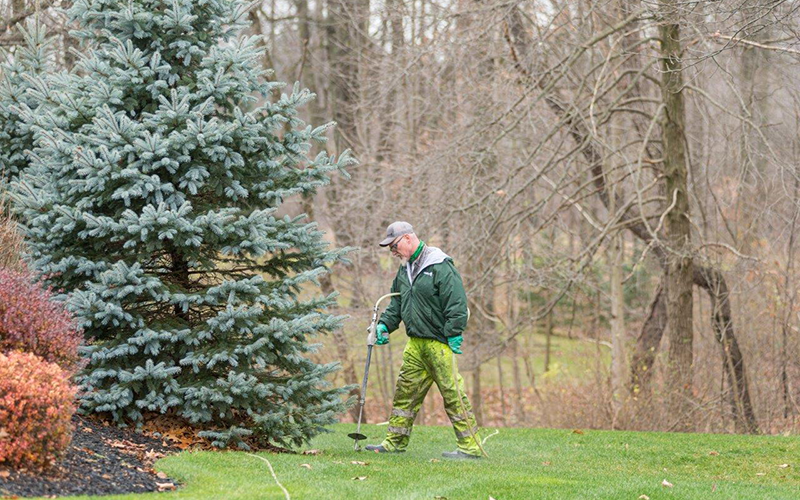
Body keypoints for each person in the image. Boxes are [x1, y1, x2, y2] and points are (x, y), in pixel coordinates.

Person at [365, 221, 482, 459]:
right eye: (390, 248)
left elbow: (457, 303)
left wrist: (454, 332)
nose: (393, 251)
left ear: (408, 239)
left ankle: (470, 447)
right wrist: (385, 325)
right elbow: (398, 303)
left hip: (439, 343)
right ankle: (394, 442)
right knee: (405, 393)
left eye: (394, 245)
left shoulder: (439, 266)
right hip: (415, 344)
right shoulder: (404, 269)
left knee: (452, 394)